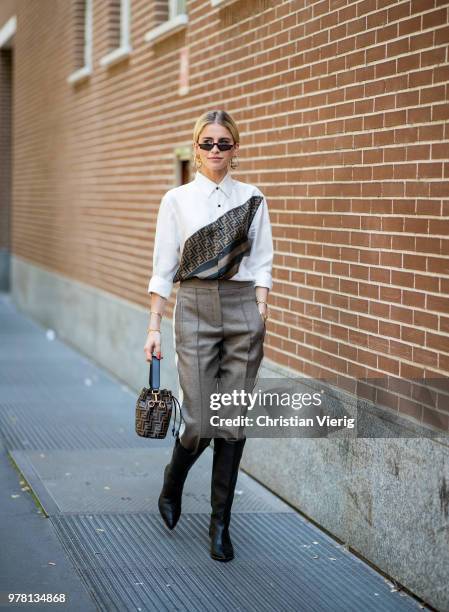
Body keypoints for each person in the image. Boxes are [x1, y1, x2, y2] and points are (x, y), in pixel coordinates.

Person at [143, 109, 273, 562]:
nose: (215, 151)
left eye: (224, 143)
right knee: (200, 420)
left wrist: (258, 310)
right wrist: (154, 327)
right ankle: (172, 482)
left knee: (232, 423)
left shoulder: (253, 197)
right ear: (196, 149)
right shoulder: (176, 200)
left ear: (235, 148)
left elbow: (263, 262)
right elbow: (162, 268)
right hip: (194, 308)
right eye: (207, 143)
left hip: (241, 311)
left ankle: (221, 524)